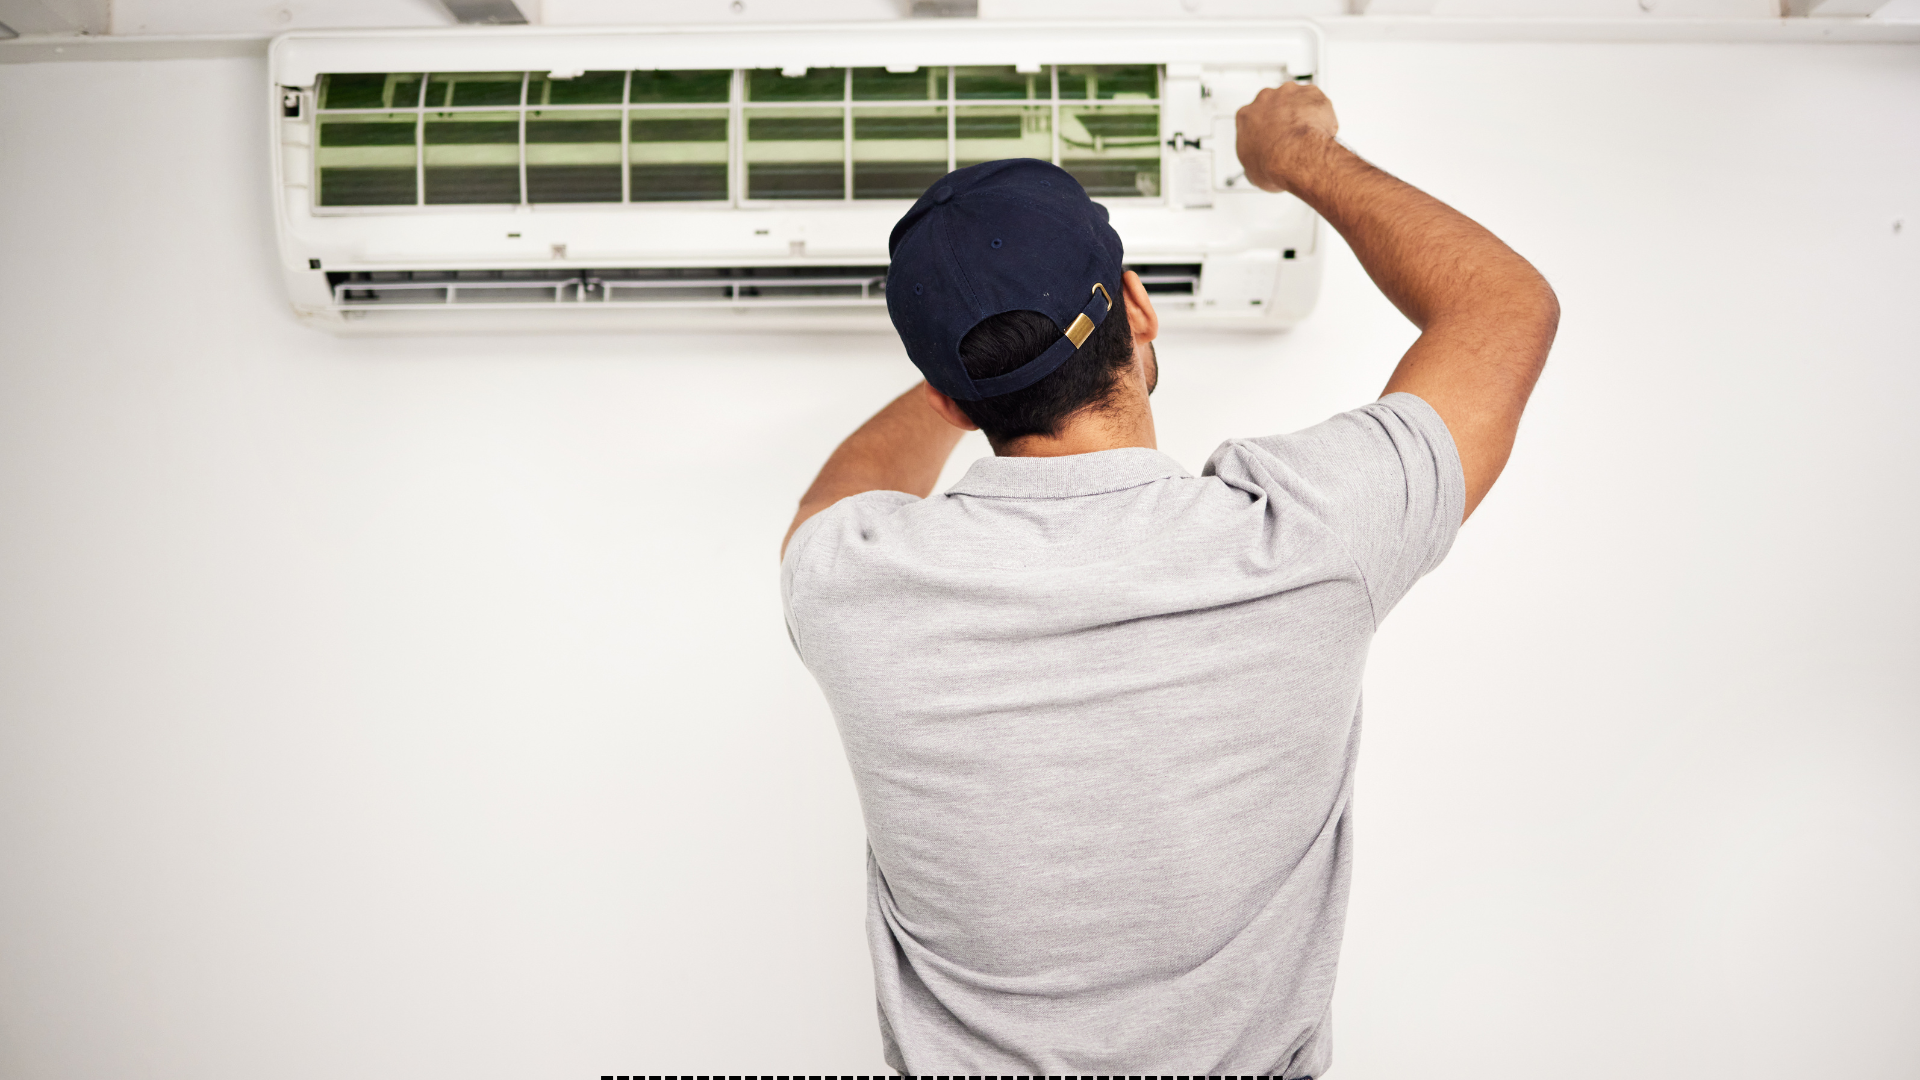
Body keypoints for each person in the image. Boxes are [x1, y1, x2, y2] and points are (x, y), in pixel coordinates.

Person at [778, 83, 1557, 1077]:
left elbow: (838, 496)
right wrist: (1302, 155)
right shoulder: (1301, 536)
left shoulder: (854, 588)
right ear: (1138, 309)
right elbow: (1505, 307)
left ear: (946, 396)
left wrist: (984, 363)